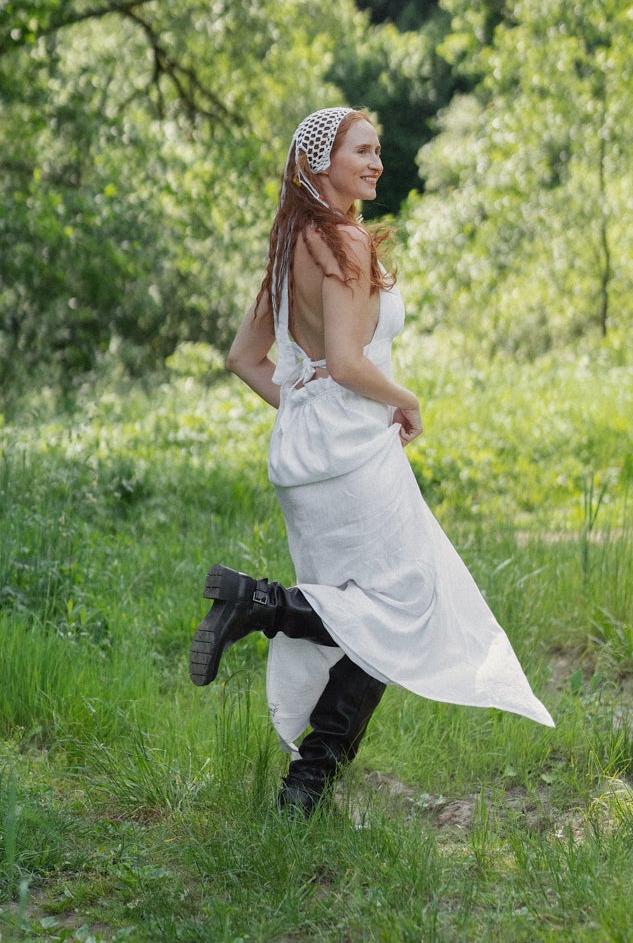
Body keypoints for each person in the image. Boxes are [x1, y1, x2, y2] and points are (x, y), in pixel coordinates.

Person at [190, 106, 553, 814]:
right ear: (318, 163)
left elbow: (244, 359)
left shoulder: (288, 245)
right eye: (362, 150)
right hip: (354, 449)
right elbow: (351, 362)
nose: (377, 162)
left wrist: (302, 405)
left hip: (307, 451)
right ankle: (259, 605)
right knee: (404, 604)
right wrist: (403, 398)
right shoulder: (345, 243)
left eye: (379, 151)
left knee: (371, 616)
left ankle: (306, 788)